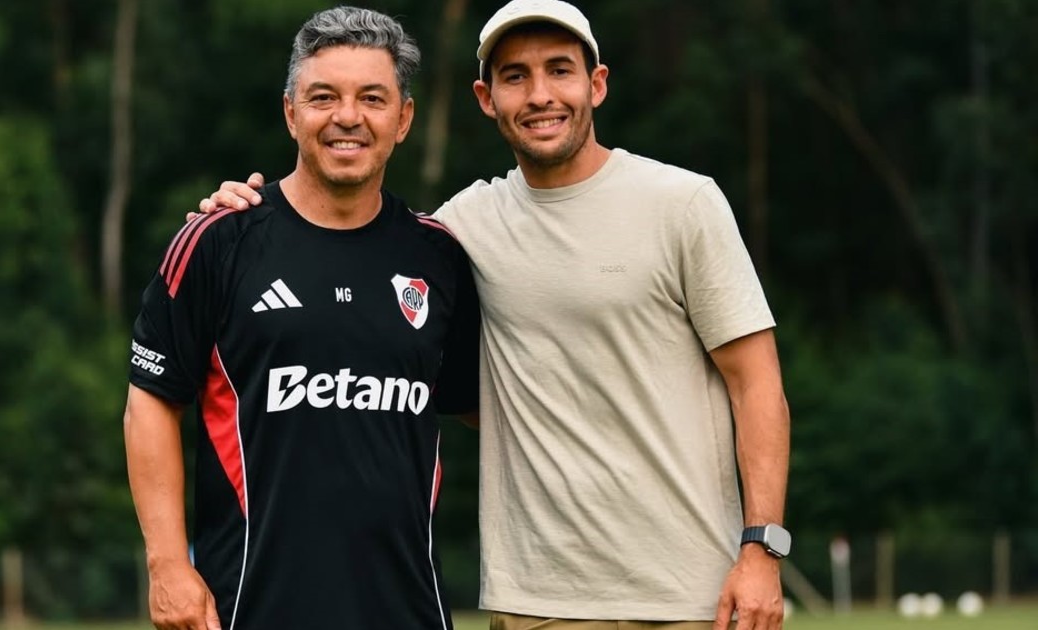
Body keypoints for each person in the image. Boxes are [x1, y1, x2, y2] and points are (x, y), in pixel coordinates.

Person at [199, 1, 791, 629]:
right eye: (515, 76)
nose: (540, 96)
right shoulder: (459, 231)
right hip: (536, 601)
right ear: (486, 98)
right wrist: (244, 213)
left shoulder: (682, 203)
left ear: (596, 84)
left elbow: (757, 385)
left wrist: (762, 548)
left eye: (559, 70)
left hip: (691, 595)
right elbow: (351, 256)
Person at [123, 7, 479, 630]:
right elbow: (150, 402)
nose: (348, 117)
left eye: (372, 98)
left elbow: (486, 409)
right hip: (250, 609)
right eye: (323, 97)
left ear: (404, 119)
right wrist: (168, 565)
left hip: (409, 611)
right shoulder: (218, 242)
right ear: (291, 113)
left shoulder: (441, 257)